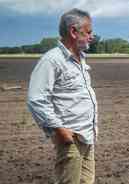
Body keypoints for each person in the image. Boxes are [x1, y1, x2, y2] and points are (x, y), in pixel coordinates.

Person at [27, 8, 97, 184]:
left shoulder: (80, 58)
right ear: (73, 31)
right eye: (88, 32)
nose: (91, 36)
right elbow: (36, 99)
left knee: (86, 181)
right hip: (70, 137)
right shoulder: (52, 60)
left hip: (87, 135)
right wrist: (59, 130)